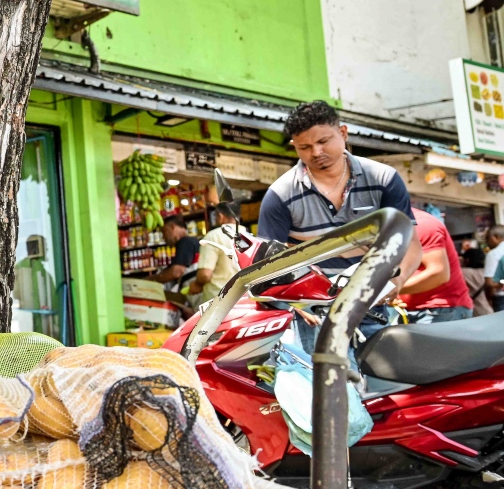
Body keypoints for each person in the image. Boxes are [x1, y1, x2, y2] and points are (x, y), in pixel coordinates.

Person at [258, 101, 421, 278]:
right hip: (306, 302)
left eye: (323, 141)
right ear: (294, 145)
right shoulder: (280, 195)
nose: (316, 152)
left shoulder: (383, 179)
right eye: (304, 147)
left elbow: (408, 241)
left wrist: (397, 280)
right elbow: (267, 264)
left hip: (370, 297)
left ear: (343, 133)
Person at [396, 208, 473, 324]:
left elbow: (438, 274)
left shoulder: (421, 224)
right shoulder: (392, 227)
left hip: (441, 311)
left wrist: (387, 290)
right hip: (411, 310)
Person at [188, 204, 241, 303]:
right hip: (243, 297)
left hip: (219, 302)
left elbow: (205, 275)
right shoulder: (248, 235)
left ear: (221, 216)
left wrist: (196, 285)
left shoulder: (214, 236)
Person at [150, 215, 199, 286]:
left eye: (164, 231)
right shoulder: (192, 241)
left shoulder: (185, 242)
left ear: (172, 227)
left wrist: (151, 281)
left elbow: (176, 272)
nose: (164, 237)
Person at [461, 246, 494, 317]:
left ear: (467, 260)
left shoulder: (464, 272)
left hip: (474, 313)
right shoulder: (487, 272)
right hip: (488, 310)